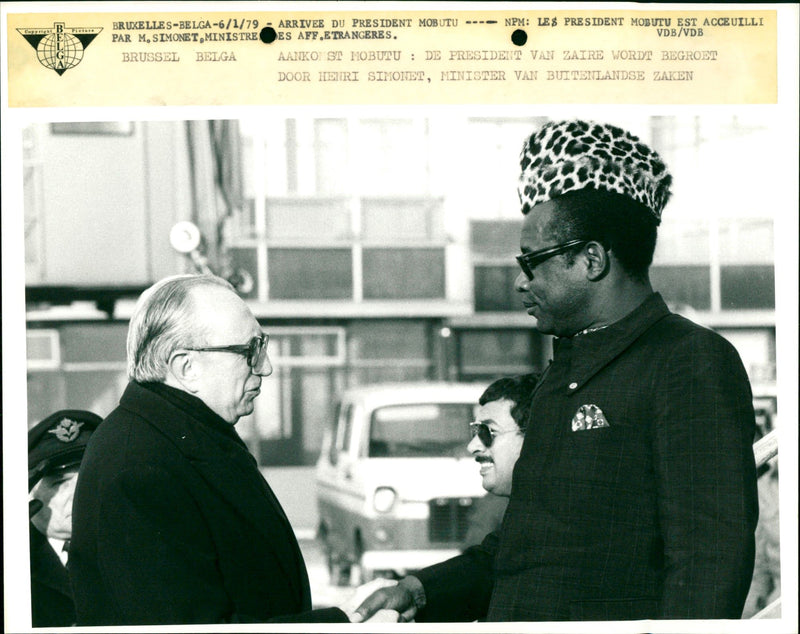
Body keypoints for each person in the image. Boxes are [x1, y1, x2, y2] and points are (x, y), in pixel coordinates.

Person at [355, 119, 759, 622]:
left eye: (533, 262)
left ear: (591, 260)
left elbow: (709, 562)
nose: (521, 284)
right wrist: (417, 590)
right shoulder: (559, 378)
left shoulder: (688, 360)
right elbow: (523, 551)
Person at [69, 274, 391, 625]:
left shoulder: (180, 439)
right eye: (250, 351)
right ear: (186, 368)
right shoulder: (140, 468)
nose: (265, 367)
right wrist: (341, 624)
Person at [28, 409, 101, 627]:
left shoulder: (133, 545)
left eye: (88, 478)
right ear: (30, 492)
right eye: (59, 483)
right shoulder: (16, 560)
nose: (78, 494)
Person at [461, 374, 539, 548]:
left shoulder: (566, 522)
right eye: (476, 431)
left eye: (488, 431)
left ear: (534, 437)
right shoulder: (521, 511)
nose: (472, 446)